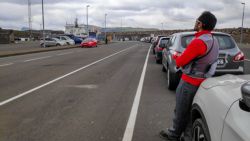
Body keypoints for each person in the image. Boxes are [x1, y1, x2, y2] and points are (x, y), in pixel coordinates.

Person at [159, 11, 219, 141]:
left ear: (201, 24)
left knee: (181, 111)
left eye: (197, 21)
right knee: (190, 112)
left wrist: (176, 56)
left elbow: (180, 62)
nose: (195, 23)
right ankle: (187, 137)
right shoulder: (214, 41)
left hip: (189, 82)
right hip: (203, 81)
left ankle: (174, 134)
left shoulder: (198, 42)